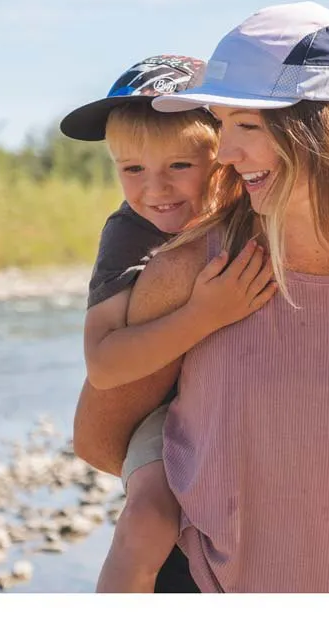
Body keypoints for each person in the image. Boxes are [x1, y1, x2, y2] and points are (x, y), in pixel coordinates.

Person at [72, 1, 329, 592]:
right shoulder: (196, 268)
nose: (223, 153)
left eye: (246, 126)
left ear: (325, 128)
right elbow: (100, 436)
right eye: (222, 125)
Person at [61, 55, 278, 592]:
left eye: (179, 165)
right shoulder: (129, 232)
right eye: (132, 169)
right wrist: (203, 314)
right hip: (165, 410)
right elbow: (104, 364)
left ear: (224, 157)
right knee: (149, 519)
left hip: (250, 401)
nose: (154, 189)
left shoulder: (259, 205)